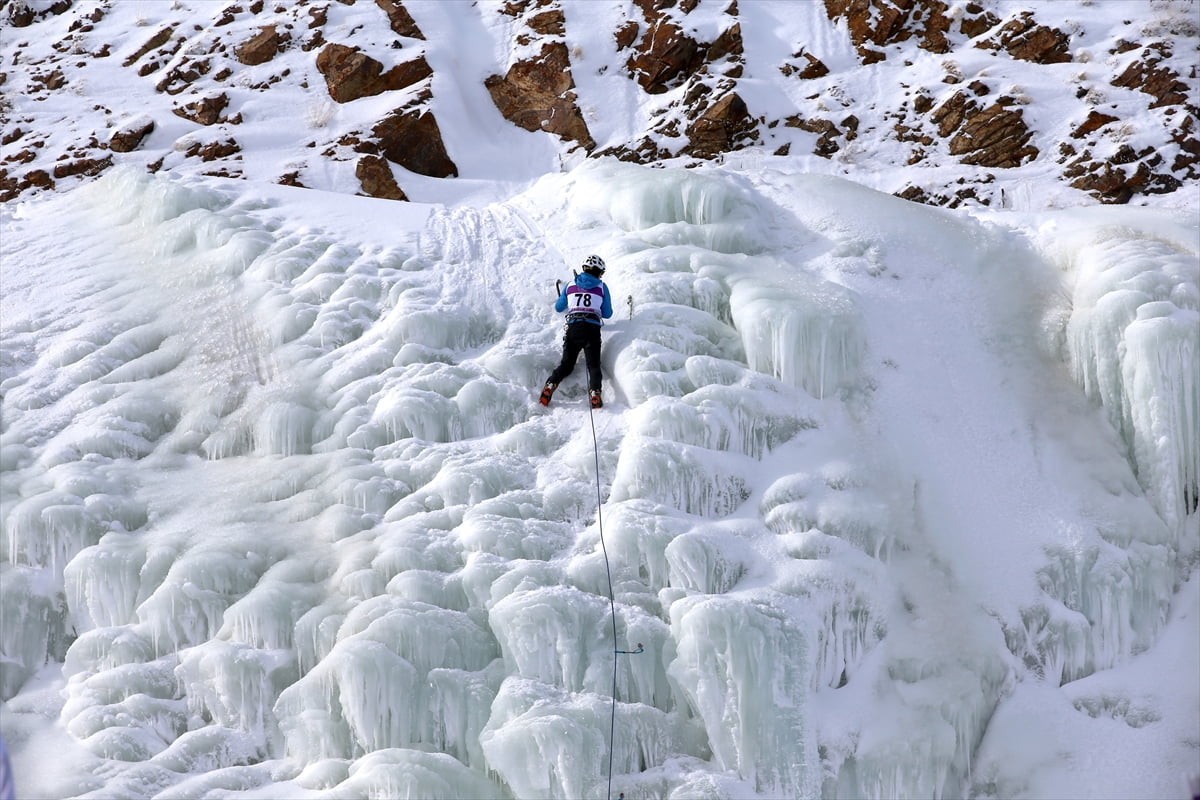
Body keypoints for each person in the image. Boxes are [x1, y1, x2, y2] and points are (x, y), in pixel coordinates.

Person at [540, 254, 613, 409]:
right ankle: (594, 393)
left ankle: (551, 383)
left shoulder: (570, 284)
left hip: (573, 327)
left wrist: (570, 301)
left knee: (566, 364)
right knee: (593, 366)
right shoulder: (602, 287)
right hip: (592, 329)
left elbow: (559, 307)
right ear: (599, 272)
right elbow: (607, 313)